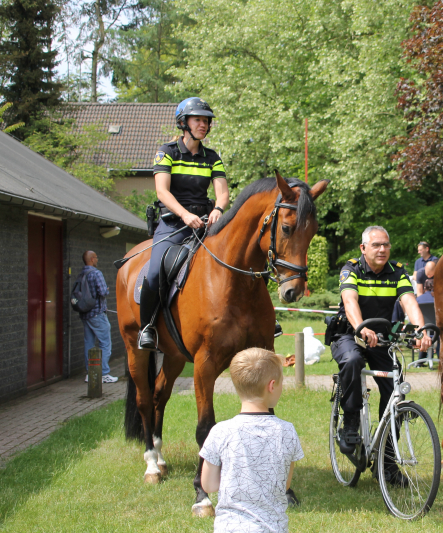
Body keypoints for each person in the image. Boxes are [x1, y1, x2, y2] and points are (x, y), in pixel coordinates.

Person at [331, 226, 432, 484]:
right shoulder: (351, 269)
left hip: (381, 340)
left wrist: (420, 330)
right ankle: (351, 422)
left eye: (386, 244)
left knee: (395, 391)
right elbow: (350, 300)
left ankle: (386, 463)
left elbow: (409, 301)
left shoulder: (397, 271)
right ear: (363, 248)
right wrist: (361, 327)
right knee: (353, 361)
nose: (382, 249)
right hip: (349, 334)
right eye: (376, 245)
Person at [137, 97, 230, 350]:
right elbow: (162, 193)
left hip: (205, 223)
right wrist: (184, 215)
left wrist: (219, 209)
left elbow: (222, 192)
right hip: (173, 224)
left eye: (206, 120)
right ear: (183, 123)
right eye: (198, 119)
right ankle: (147, 327)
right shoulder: (166, 152)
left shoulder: (212, 157)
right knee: (155, 272)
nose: (203, 124)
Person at [200, 348, 303, 533]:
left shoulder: (220, 431)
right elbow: (285, 484)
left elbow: (208, 485)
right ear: (272, 386)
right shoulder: (287, 431)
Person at [79, 251, 117, 383]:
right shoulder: (96, 273)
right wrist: (106, 289)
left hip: (85, 314)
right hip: (97, 314)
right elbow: (102, 292)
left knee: (89, 344)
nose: (97, 259)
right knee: (105, 343)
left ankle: (91, 373)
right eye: (96, 257)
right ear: (91, 259)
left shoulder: (81, 273)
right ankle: (103, 373)